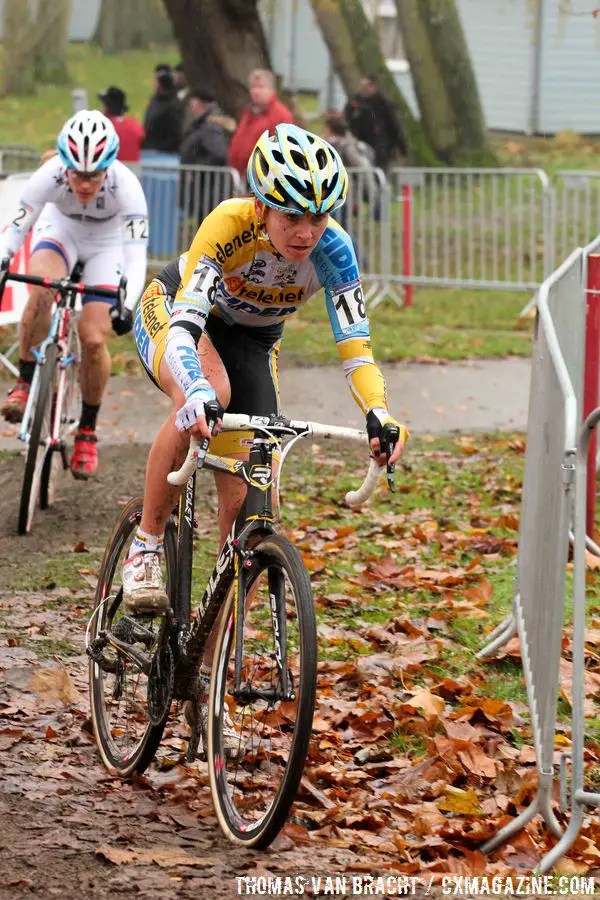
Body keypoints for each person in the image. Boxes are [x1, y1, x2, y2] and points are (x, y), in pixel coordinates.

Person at [127, 123, 408, 747]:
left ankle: (205, 671)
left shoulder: (334, 251)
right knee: (212, 396)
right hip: (176, 315)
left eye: (318, 216)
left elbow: (357, 350)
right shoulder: (230, 224)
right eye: (290, 217)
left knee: (247, 507)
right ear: (261, 205)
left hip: (254, 342)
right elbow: (184, 328)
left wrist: (379, 414)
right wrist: (195, 390)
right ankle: (146, 544)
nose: (305, 232)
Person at [0, 110, 149, 479]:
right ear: (64, 166)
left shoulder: (127, 187)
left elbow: (136, 256)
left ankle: (87, 429)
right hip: (61, 231)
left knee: (94, 338)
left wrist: (126, 306)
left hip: (107, 244)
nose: (84, 184)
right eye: (77, 174)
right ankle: (25, 380)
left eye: (94, 175)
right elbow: (16, 229)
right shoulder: (47, 175)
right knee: (39, 290)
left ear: (108, 168)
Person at [179, 88, 236, 224]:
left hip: (210, 191)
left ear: (198, 104)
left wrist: (197, 170)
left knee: (209, 227)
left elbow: (219, 153)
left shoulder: (210, 127)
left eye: (192, 102)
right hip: (206, 190)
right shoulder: (203, 124)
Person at [227, 69, 294, 175]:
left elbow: (283, 148)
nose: (256, 91)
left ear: (271, 90)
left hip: (266, 176)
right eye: (253, 87)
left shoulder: (281, 115)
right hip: (244, 174)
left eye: (261, 87)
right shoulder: (248, 113)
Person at [344, 75, 406, 171]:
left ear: (373, 86)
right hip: (361, 145)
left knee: (379, 172)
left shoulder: (384, 104)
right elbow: (349, 120)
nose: (363, 89)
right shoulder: (357, 103)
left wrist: (400, 146)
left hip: (381, 147)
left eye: (366, 86)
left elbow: (395, 126)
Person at [142, 65, 183, 155]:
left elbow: (175, 134)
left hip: (163, 152)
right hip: (150, 147)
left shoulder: (173, 106)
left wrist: (159, 148)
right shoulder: (155, 99)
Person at [98, 85, 145, 164]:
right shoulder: (136, 126)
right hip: (133, 173)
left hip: (110, 173)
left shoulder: (102, 127)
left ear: (106, 108)